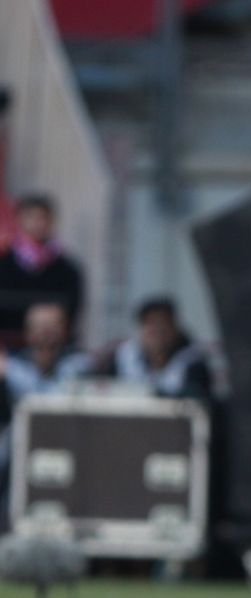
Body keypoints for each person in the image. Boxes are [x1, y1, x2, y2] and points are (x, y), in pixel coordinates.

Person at [0, 301, 92, 481]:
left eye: (52, 327)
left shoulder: (82, 367)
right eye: (39, 327)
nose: (45, 334)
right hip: (18, 449)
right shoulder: (11, 367)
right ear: (27, 333)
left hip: (71, 444)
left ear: (65, 331)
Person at [0, 195, 85, 348]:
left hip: (54, 349)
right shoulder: (4, 264)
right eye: (31, 217)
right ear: (19, 220)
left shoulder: (67, 269)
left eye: (43, 217)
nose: (37, 224)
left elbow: (73, 310)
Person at [98, 296, 213, 399]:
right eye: (150, 325)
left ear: (175, 328)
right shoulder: (123, 358)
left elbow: (199, 401)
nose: (158, 332)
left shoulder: (193, 363)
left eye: (163, 325)